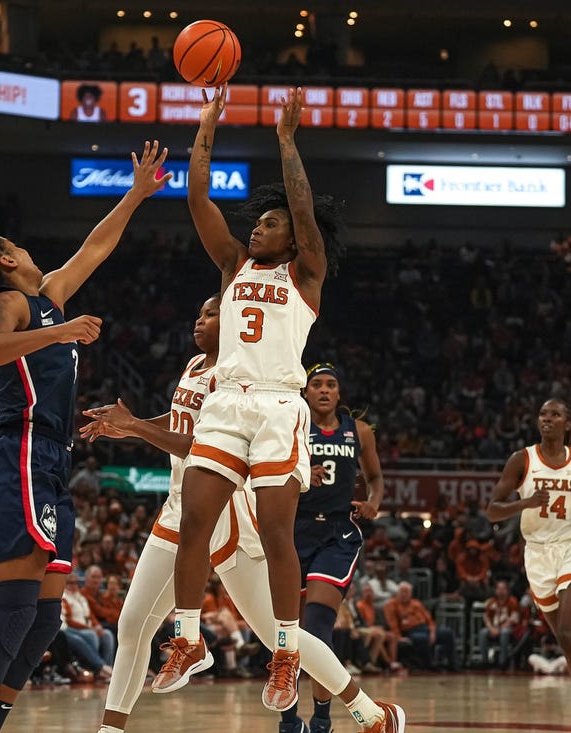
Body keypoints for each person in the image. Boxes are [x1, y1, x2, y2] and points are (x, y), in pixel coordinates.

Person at [0, 140, 171, 733]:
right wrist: (58, 330)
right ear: (7, 261)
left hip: (53, 460)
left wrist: (135, 195)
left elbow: (95, 247)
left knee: (44, 620)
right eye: (17, 245)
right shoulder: (9, 301)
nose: (27, 248)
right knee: (14, 606)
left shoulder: (46, 298)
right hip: (18, 452)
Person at [81, 296, 404, 733]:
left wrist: (137, 428)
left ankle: (371, 712)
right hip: (180, 506)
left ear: (233, 320)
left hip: (224, 512)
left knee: (276, 634)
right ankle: (112, 729)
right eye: (198, 313)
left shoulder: (237, 375)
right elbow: (180, 420)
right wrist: (132, 421)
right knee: (133, 623)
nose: (201, 320)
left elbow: (197, 442)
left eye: (211, 313)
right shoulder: (195, 363)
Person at [155, 84, 357, 720]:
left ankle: (285, 653)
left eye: (270, 223)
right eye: (258, 222)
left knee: (274, 533)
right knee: (195, 520)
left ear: (295, 239)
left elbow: (299, 208)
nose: (258, 226)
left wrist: (287, 141)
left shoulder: (306, 275)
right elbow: (197, 199)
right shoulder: (233, 268)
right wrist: (205, 125)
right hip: (225, 404)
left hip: (276, 407)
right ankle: (187, 640)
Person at [486, 399, 571, 733]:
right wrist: (526, 502)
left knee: (569, 633)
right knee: (566, 640)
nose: (547, 419)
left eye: (555, 415)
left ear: (567, 424)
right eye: (543, 414)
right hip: (537, 553)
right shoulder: (522, 460)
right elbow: (492, 510)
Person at [283, 361, 385, 733]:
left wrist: (374, 501)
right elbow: (265, 467)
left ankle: (322, 718)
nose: (324, 390)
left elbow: (375, 477)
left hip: (338, 534)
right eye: (317, 384)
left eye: (330, 385)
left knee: (317, 626)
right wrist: (298, 470)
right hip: (292, 530)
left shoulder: (359, 432)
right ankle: (288, 720)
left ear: (339, 393)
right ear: (305, 391)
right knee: (287, 631)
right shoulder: (290, 425)